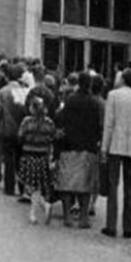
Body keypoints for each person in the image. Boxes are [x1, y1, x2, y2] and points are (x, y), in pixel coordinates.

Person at [101, 68, 131, 239]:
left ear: (123, 80)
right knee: (130, 188)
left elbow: (109, 124)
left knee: (113, 185)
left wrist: (104, 148)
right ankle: (129, 227)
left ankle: (111, 225)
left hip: (116, 144)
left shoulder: (113, 96)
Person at [56, 71, 103, 228]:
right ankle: (83, 218)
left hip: (69, 144)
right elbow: (98, 125)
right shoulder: (94, 103)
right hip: (88, 145)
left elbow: (62, 118)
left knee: (67, 182)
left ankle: (67, 217)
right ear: (89, 84)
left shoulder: (70, 100)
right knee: (85, 183)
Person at [18, 96, 58, 224]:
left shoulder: (27, 121)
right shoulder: (49, 122)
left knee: (32, 185)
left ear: (32, 108)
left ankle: (35, 212)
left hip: (29, 155)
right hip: (42, 156)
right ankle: (42, 204)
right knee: (38, 184)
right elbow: (53, 136)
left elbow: (20, 135)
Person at [0, 64, 29, 195]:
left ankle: (9, 187)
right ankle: (22, 187)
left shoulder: (3, 91)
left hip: (7, 127)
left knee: (8, 157)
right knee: (20, 157)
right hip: (22, 127)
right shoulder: (25, 90)